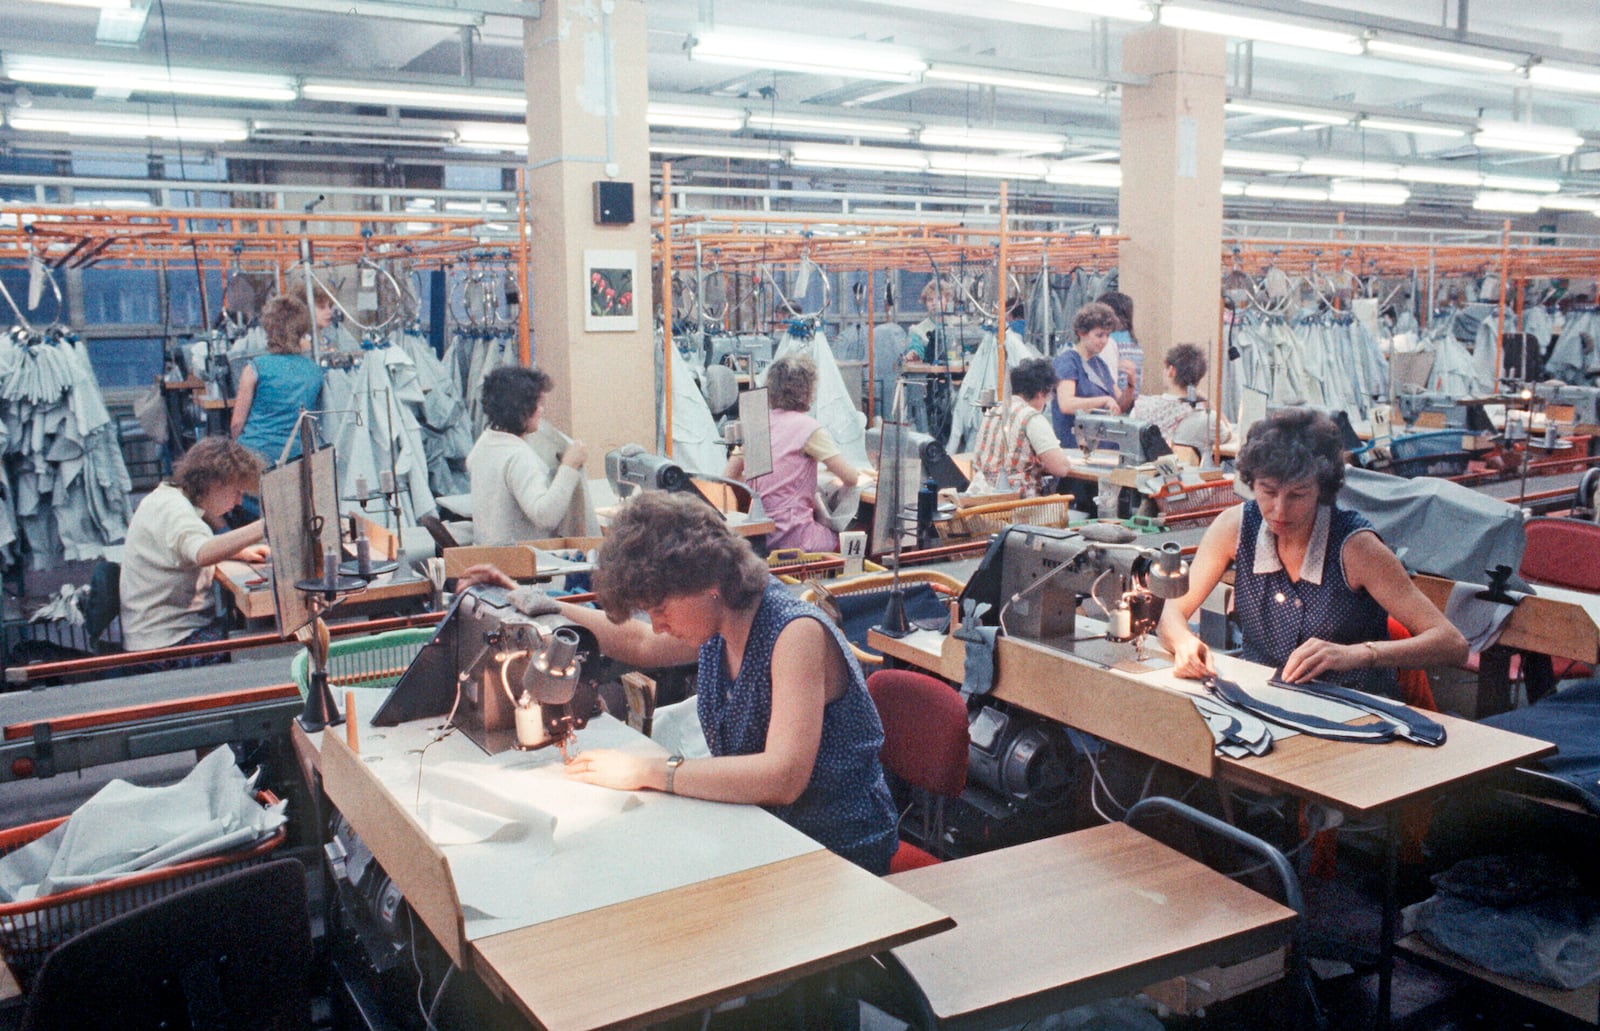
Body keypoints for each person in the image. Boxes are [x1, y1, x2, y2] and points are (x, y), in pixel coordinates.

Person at [465, 491, 899, 873]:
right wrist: (543, 605)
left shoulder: (794, 633)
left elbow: (782, 776)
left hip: (837, 852)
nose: (657, 624)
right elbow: (639, 642)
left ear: (707, 581)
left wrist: (648, 771)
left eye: (660, 607)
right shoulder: (720, 623)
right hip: (763, 829)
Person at [1157, 408, 1468, 698]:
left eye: (1297, 494)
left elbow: (1452, 644)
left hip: (1355, 709)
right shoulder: (1235, 528)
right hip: (1263, 699)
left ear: (1323, 488)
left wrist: (1356, 654)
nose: (1279, 509)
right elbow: (1172, 613)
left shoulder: (1356, 548)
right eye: (1267, 491)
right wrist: (1183, 642)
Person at [119, 437, 269, 659]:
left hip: (154, 634)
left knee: (250, 636)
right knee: (262, 648)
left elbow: (184, 546)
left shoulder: (168, 496)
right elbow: (202, 553)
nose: (239, 501)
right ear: (216, 483)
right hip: (165, 646)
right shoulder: (176, 512)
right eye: (237, 491)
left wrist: (240, 551)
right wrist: (267, 524)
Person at [725, 355, 870, 553]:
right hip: (792, 536)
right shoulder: (809, 429)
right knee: (859, 533)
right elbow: (851, 478)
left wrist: (766, 483)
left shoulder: (756, 425)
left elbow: (729, 477)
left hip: (758, 535)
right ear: (808, 391)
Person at [467, 366, 588, 545]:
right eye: (537, 405)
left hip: (491, 554)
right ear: (519, 409)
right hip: (520, 564)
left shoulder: (484, 444)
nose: (541, 410)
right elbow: (545, 516)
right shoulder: (517, 456)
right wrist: (569, 466)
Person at [232, 295, 324, 465]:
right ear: (302, 330)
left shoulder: (255, 368)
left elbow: (237, 423)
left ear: (268, 328)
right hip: (297, 456)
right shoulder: (315, 372)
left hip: (254, 454)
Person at [967, 358, 1075, 498]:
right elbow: (1060, 469)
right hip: (1015, 506)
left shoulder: (993, 412)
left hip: (981, 499)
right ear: (1040, 393)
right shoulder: (1032, 418)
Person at [1050, 301, 1136, 449]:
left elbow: (1119, 406)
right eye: (1099, 335)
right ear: (1081, 333)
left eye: (1107, 335)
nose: (1105, 341)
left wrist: (1130, 383)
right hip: (1076, 447)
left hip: (1104, 448)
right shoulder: (1067, 362)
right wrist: (1104, 400)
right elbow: (1066, 404)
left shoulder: (1100, 365)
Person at [1129, 343, 1215, 444]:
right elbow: (1227, 433)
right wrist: (1207, 400)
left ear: (1171, 371)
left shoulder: (1140, 408)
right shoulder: (1205, 418)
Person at [1096, 290, 1143, 395]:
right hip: (1132, 400)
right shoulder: (1135, 343)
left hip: (1115, 402)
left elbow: (1107, 381)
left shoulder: (1108, 342)